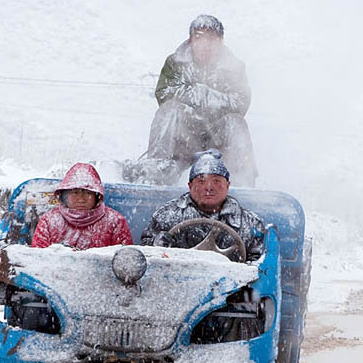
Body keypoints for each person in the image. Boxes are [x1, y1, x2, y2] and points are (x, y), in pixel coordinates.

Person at [141, 14, 257, 187]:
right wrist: (193, 94)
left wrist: (209, 96)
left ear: (220, 41)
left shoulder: (234, 68)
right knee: (169, 110)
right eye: (199, 37)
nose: (205, 45)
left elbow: (240, 102)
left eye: (211, 39)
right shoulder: (176, 63)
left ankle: (243, 180)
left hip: (218, 137)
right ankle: (156, 170)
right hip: (183, 136)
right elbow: (164, 93)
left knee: (236, 122)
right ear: (191, 40)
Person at [139, 150, 265, 262]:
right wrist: (156, 245)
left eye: (216, 181)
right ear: (190, 186)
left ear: (227, 185)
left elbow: (260, 264)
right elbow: (144, 254)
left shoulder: (250, 223)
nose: (209, 187)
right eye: (201, 181)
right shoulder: (167, 216)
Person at [31, 163, 133, 250]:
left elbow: (125, 262)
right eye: (75, 193)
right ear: (65, 195)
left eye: (87, 193)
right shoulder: (49, 221)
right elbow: (38, 260)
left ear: (97, 196)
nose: (81, 199)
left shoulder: (115, 221)